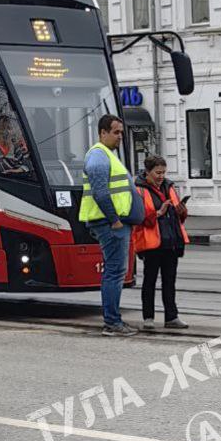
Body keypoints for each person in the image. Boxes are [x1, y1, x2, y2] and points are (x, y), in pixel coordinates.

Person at [78, 114, 142, 336]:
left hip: (114, 223)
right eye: (116, 132)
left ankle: (113, 321)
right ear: (102, 133)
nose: (120, 137)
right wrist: (114, 220)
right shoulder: (98, 156)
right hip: (110, 224)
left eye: (121, 132)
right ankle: (112, 323)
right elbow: (101, 193)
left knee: (115, 271)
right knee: (115, 272)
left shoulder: (107, 155)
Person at [134, 154, 190, 331]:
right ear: (148, 172)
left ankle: (171, 317)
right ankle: (148, 318)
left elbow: (179, 218)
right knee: (149, 280)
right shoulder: (139, 189)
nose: (161, 176)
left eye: (164, 172)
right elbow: (138, 217)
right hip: (152, 243)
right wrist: (159, 212)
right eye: (158, 173)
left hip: (171, 240)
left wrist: (181, 211)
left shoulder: (169, 186)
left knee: (169, 281)